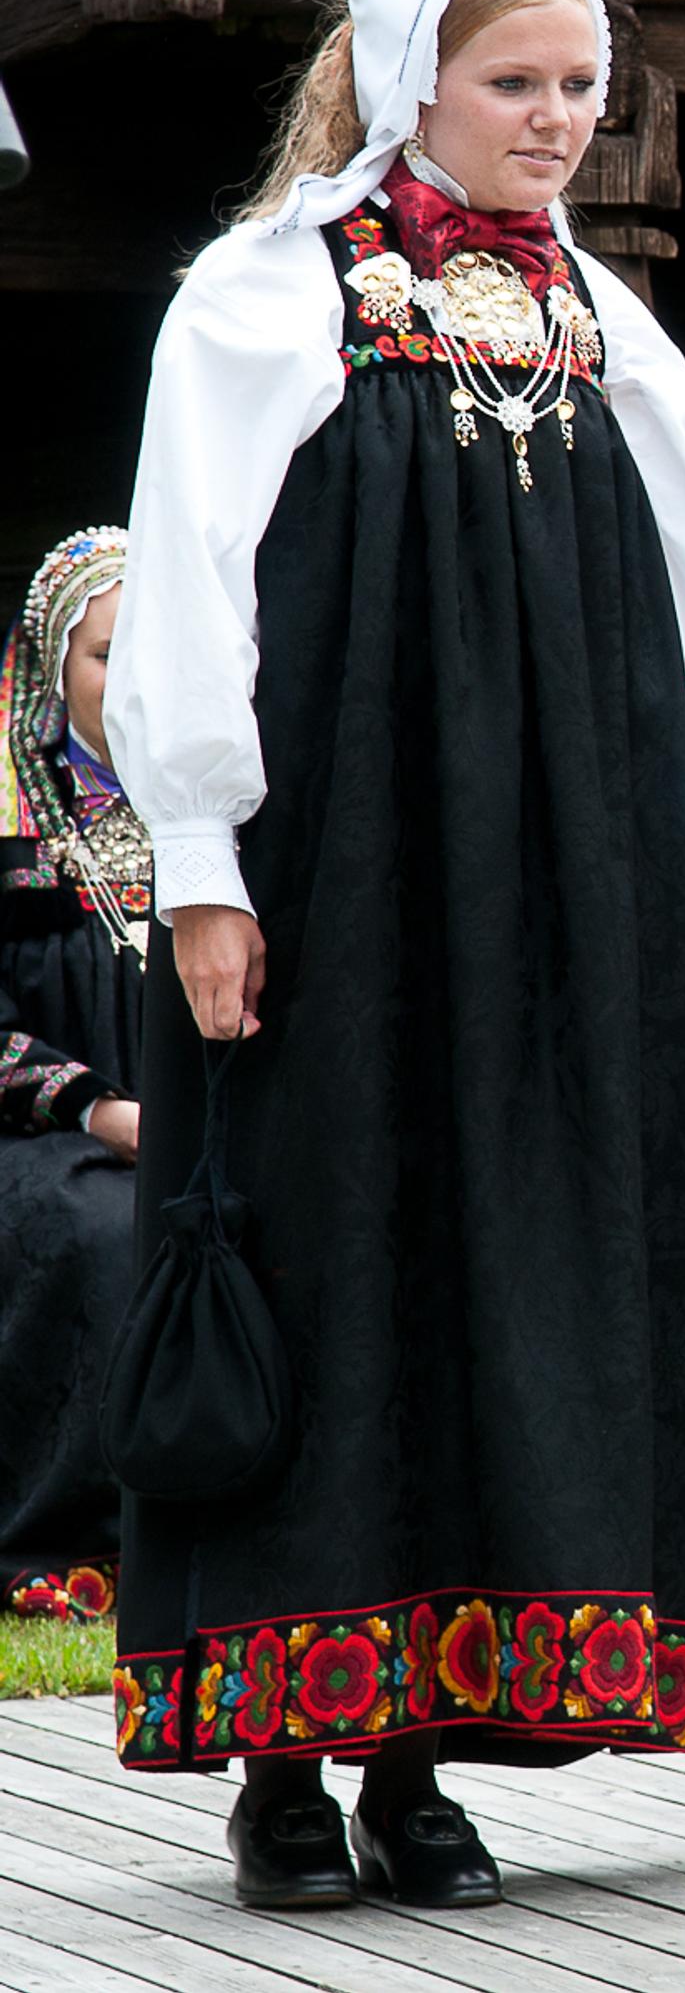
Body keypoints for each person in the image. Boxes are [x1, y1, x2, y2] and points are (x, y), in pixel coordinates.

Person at [109, 0, 685, 1906]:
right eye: (517, 82)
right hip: (350, 874)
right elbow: (192, 580)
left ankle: (421, 1749)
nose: (559, 120)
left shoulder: (606, 322)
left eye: (582, 86)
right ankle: (285, 1764)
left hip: (566, 888)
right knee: (345, 1251)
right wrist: (206, 864)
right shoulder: (269, 293)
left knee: (507, 1271)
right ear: (413, 78)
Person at [0, 528, 143, 1626]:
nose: (132, 675)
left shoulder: (224, 799)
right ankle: (72, 1540)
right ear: (56, 666)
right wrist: (93, 1104)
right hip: (39, 1131)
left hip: (191, 1118)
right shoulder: (10, 815)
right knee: (104, 1227)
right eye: (105, 653)